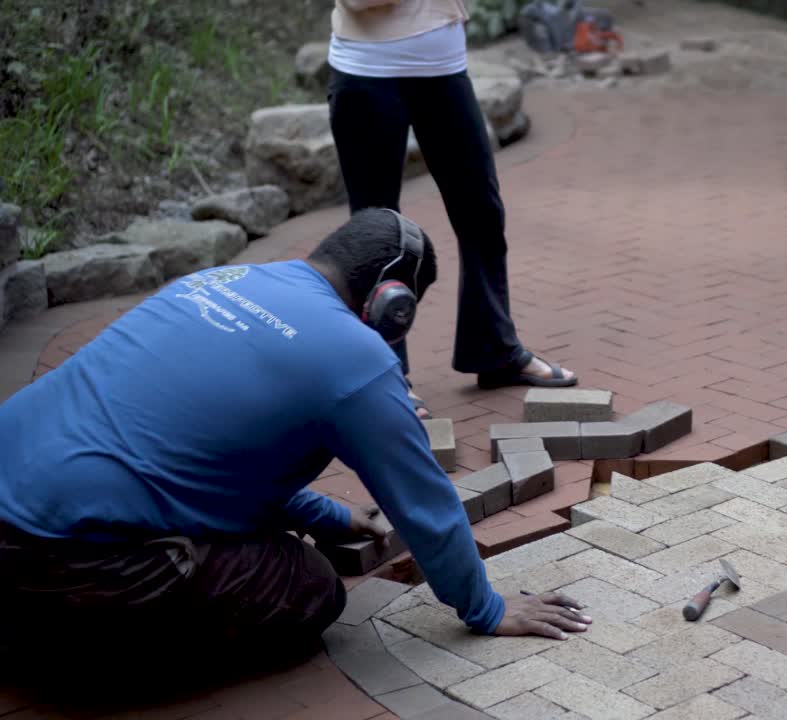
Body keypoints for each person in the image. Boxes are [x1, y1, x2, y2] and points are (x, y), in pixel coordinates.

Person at [0, 210, 590, 666]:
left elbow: (206, 448)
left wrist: (324, 514)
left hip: (24, 493)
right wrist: (485, 607)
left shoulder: (218, 280)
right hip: (59, 559)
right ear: (394, 303)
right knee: (306, 585)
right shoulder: (355, 359)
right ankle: (75, 651)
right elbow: (424, 503)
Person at [327, 0, 577, 402]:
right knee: (376, 232)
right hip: (369, 73)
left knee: (482, 213)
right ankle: (386, 372)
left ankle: (493, 349)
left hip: (444, 69)